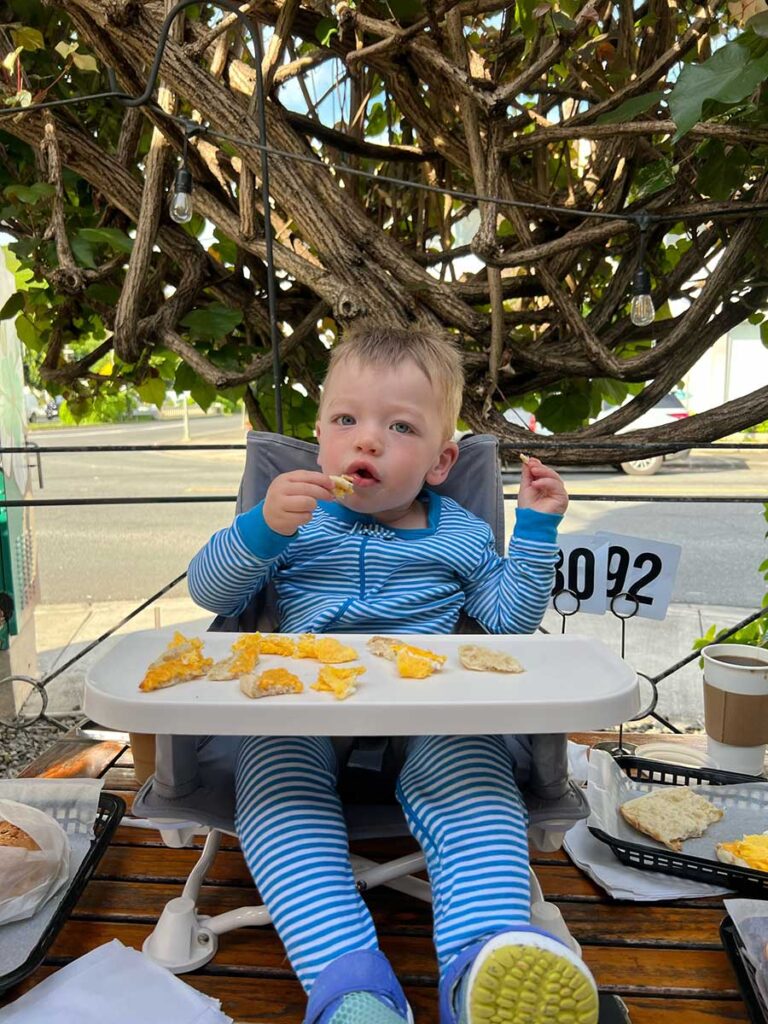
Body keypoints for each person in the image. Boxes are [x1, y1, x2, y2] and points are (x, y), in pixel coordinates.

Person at [188, 325, 599, 1024]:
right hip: (301, 712)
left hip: (431, 714)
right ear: (320, 437)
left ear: (441, 462)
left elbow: (507, 623)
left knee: (476, 791)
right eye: (346, 420)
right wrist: (261, 528)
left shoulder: (460, 534)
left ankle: (487, 967)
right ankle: (351, 987)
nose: (366, 441)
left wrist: (533, 531)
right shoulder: (295, 522)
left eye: (398, 426)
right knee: (276, 802)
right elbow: (211, 593)